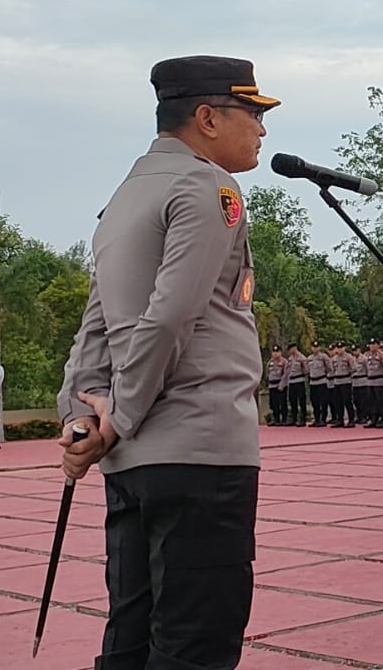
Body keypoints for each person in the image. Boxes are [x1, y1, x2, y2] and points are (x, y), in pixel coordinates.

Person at [55, 54, 278, 667]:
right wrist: (118, 418)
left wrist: (82, 417)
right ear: (208, 117)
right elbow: (170, 316)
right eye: (252, 113)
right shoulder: (207, 187)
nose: (261, 129)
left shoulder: (122, 201)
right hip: (199, 453)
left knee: (130, 640)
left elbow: (96, 324)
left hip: (133, 467)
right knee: (194, 644)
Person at [305, 341, 330, 427]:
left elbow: (329, 368)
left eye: (316, 347)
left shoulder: (324, 357)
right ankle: (317, 419)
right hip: (313, 382)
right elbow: (307, 370)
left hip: (322, 381)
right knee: (314, 402)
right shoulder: (309, 358)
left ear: (319, 348)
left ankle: (323, 419)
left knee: (323, 401)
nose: (315, 349)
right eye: (313, 347)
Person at [284, 343, 307, 426]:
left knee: (301, 401)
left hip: (299, 380)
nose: (289, 351)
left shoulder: (302, 358)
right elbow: (287, 372)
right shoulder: (290, 359)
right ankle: (293, 418)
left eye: (290, 349)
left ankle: (302, 419)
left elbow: (306, 370)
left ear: (294, 348)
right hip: (291, 381)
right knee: (292, 400)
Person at [265, 345, 287, 424]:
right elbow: (267, 373)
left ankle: (284, 419)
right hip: (272, 385)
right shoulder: (270, 362)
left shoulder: (284, 361)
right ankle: (276, 419)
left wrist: (282, 384)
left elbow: (285, 374)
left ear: (280, 352)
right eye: (274, 352)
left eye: (277, 352)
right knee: (273, 403)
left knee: (282, 402)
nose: (275, 354)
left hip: (280, 385)